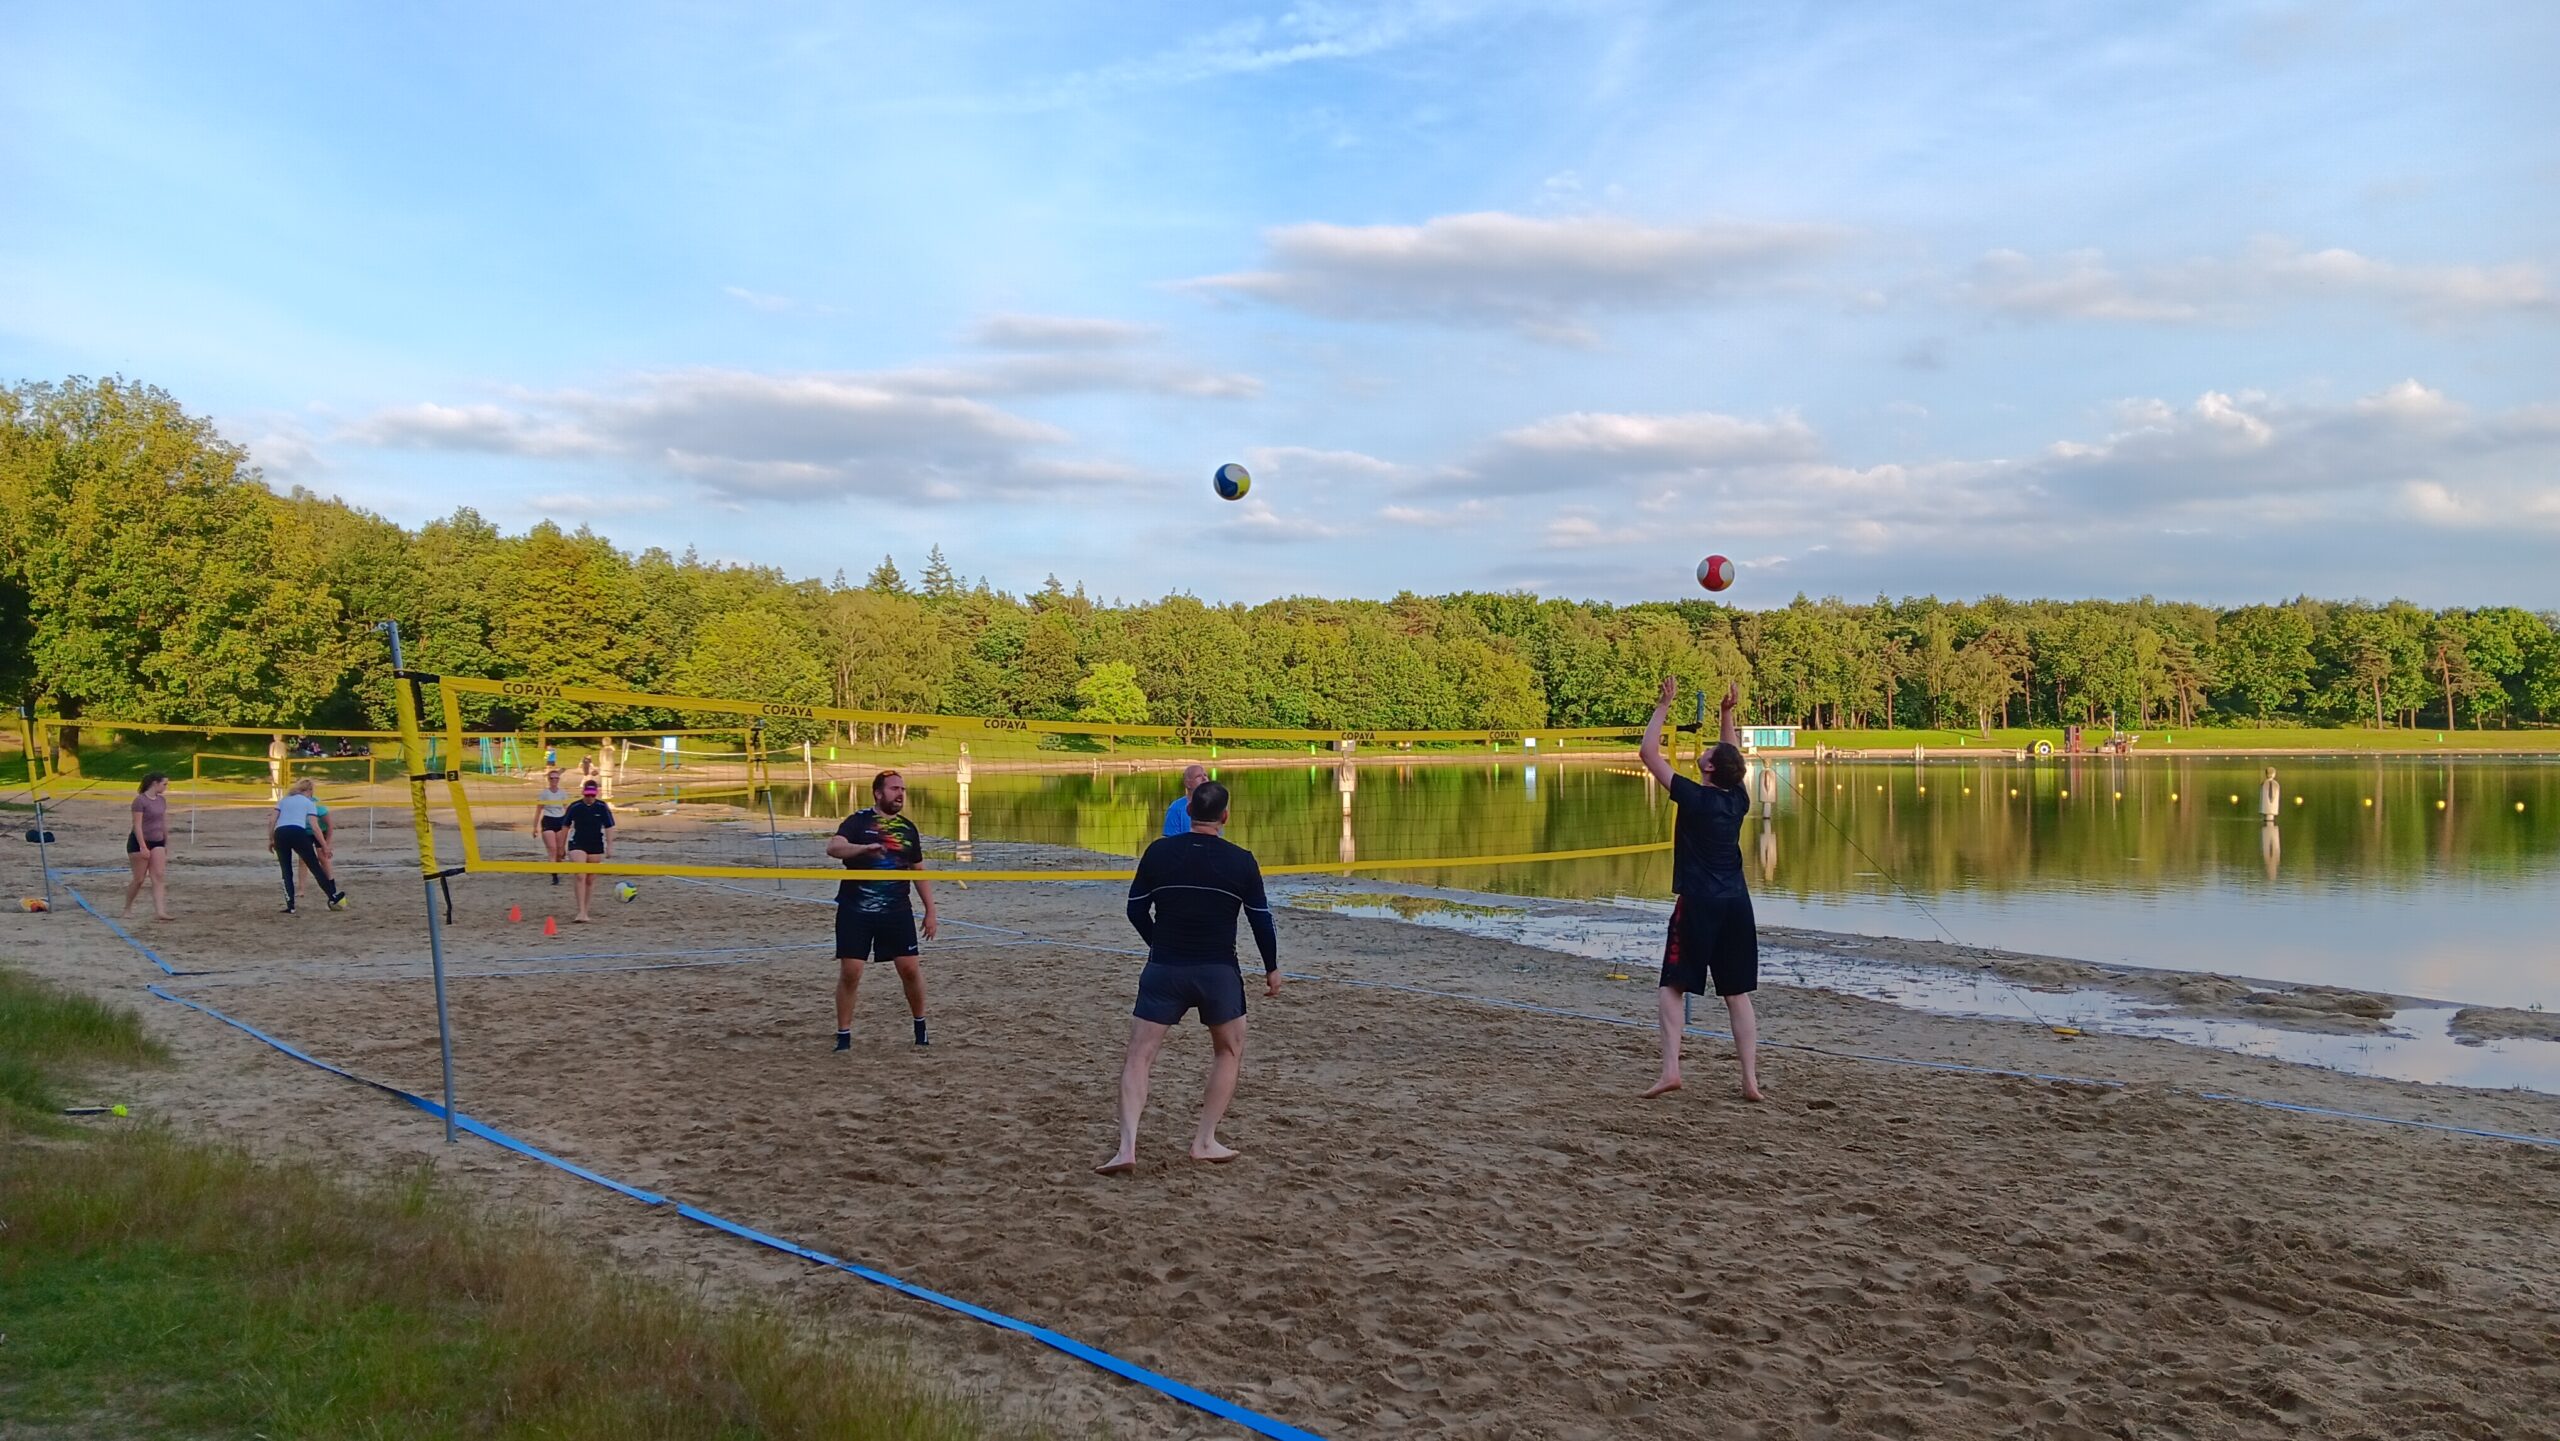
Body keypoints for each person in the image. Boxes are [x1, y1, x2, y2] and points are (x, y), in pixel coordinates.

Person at [1099, 780, 1279, 1174]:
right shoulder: (1242, 861)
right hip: (1218, 971)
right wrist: (1271, 968)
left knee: (1139, 1056)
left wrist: (1157, 942)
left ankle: (1127, 1148)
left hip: (1165, 967)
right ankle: (1204, 1141)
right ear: (1225, 817)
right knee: (1229, 1050)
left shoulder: (1159, 852)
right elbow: (1261, 920)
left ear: (1188, 810)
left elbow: (1135, 910)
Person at [1637, 677, 1763, 1101]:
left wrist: (1664, 704)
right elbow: (1732, 757)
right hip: (1737, 904)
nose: (1706, 750)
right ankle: (1750, 1081)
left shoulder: (1694, 797)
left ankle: (1671, 1071)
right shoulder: (1739, 799)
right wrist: (1727, 714)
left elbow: (1648, 753)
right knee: (1736, 994)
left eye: (1709, 751)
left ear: (1709, 768)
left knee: (1671, 986)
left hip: (1698, 903)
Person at [825, 770, 938, 1049]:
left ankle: (920, 1028)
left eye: (903, 789)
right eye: (894, 789)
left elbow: (918, 870)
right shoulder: (858, 821)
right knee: (851, 972)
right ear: (878, 793)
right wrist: (863, 850)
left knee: (909, 969)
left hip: (896, 911)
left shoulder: (908, 829)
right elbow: (834, 847)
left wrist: (930, 911)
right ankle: (843, 1036)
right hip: (856, 909)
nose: (900, 794)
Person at [269, 778, 346, 914]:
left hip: (280, 833)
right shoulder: (308, 802)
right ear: (310, 791)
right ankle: (332, 897)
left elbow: (272, 821)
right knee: (314, 866)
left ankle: (290, 906)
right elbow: (315, 827)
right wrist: (325, 846)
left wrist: (271, 839)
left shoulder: (284, 800)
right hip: (298, 833)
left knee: (286, 871)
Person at [122, 772, 173, 920]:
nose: (166, 787)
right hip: (140, 841)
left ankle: (160, 911)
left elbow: (163, 821)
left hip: (157, 840)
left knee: (158, 875)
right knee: (139, 879)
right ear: (154, 783)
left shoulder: (161, 800)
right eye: (164, 784)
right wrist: (143, 846)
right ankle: (127, 908)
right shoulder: (140, 801)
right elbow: (137, 825)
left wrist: (165, 841)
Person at [562, 779, 614, 923]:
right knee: (580, 875)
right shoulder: (575, 806)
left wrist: (610, 846)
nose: (590, 797)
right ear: (583, 792)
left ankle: (585, 910)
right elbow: (565, 826)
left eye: (592, 794)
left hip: (595, 844)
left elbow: (609, 826)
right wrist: (561, 847)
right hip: (577, 843)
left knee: (590, 879)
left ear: (596, 793)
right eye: (587, 794)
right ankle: (581, 912)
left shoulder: (602, 807)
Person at [532, 766, 573, 884]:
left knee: (560, 850)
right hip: (548, 821)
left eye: (556, 778)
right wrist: (535, 827)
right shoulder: (544, 793)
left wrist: (571, 823)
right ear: (548, 780)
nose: (554, 780)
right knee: (552, 849)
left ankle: (558, 866)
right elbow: (538, 810)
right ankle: (554, 876)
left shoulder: (562, 793)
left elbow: (567, 809)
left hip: (560, 821)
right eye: (552, 778)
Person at [1162, 763, 1209, 838]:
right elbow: (1170, 841)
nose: (1204, 779)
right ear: (1187, 783)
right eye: (1198, 776)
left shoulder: (1214, 806)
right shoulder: (1176, 809)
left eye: (1205, 775)